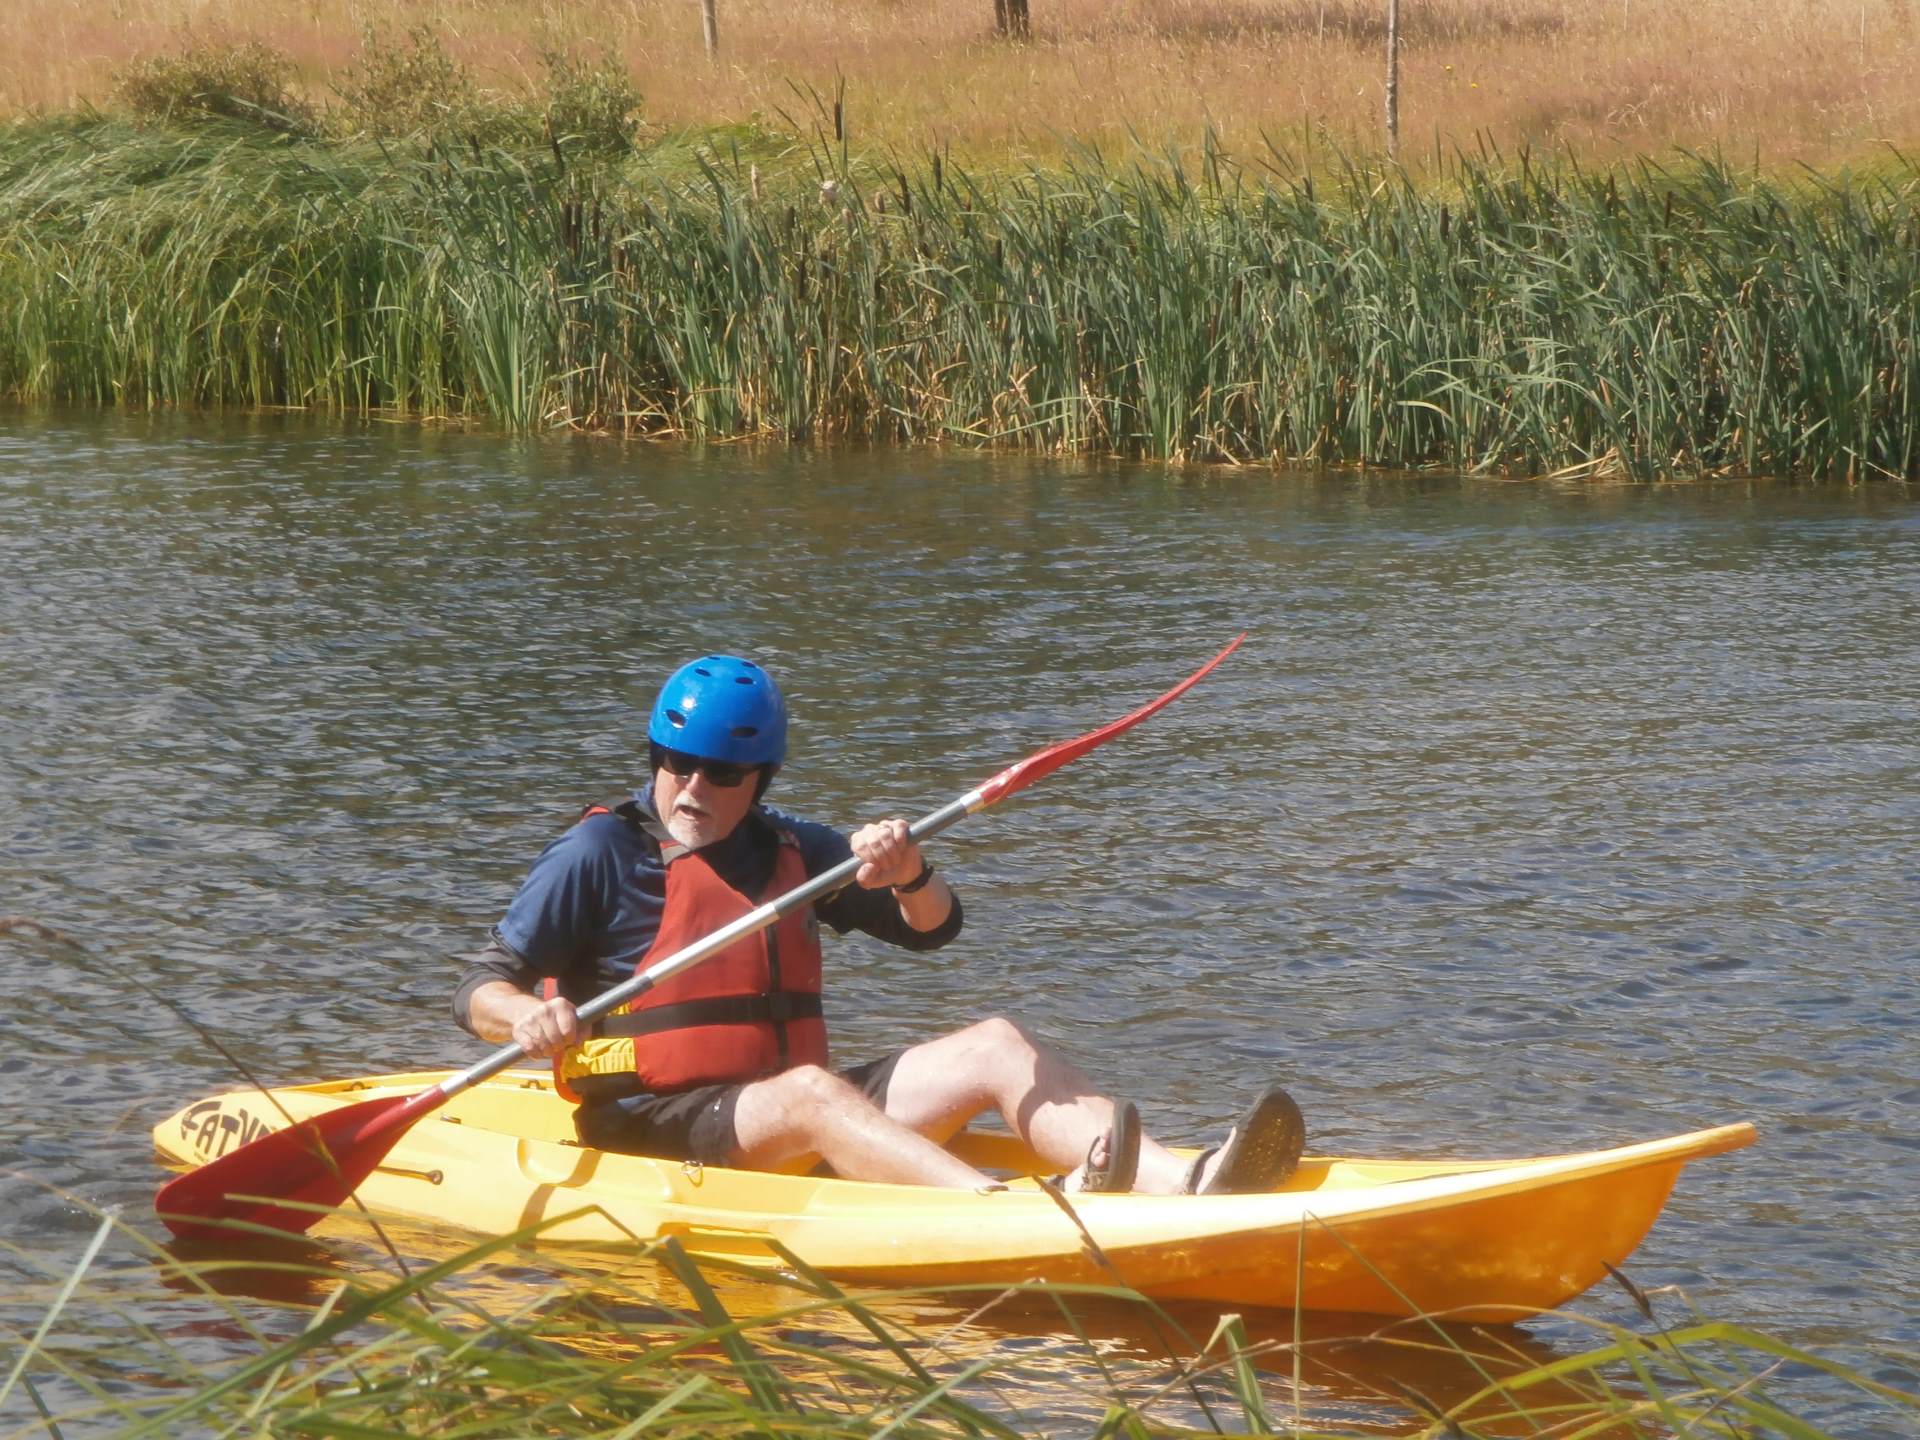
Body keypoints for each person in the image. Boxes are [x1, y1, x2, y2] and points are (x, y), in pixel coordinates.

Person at [453, 654, 1304, 1195]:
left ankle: (1184, 1182)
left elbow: (933, 930)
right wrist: (525, 1016)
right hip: (652, 1128)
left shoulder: (793, 849)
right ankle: (998, 1214)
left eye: (720, 773)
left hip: (780, 1113)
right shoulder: (601, 851)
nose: (693, 790)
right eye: (676, 764)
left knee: (995, 1044)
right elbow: (480, 987)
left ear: (759, 779)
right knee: (813, 1093)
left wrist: (908, 873)